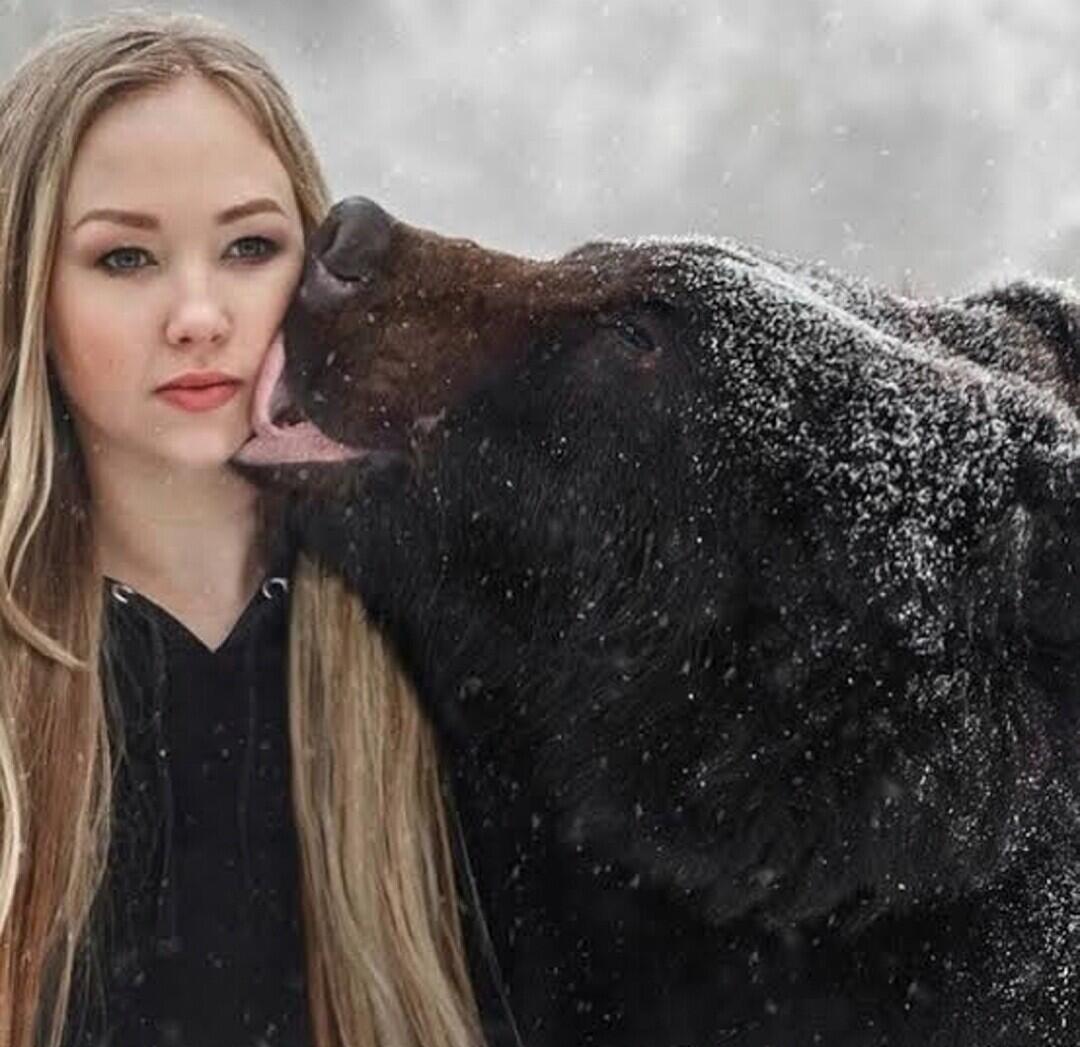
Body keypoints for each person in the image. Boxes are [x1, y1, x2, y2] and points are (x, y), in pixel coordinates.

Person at [0, 13, 497, 1047]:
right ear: (25, 290)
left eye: (249, 247)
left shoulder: (447, 657)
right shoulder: (15, 713)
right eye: (126, 258)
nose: (197, 313)